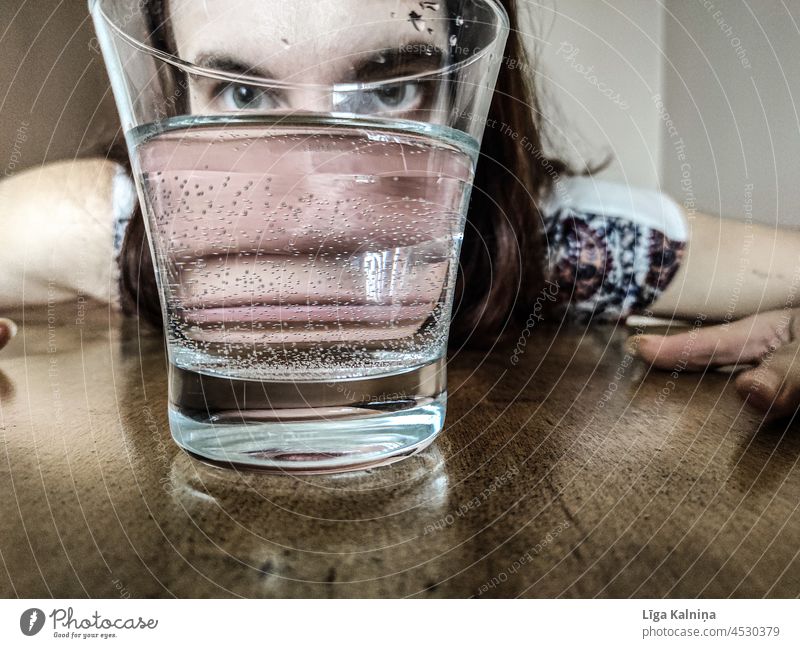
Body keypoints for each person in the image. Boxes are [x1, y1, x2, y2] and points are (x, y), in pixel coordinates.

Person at [2, 0, 800, 420]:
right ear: (176, 96)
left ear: (471, 96)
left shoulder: (572, 239)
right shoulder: (110, 221)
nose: (319, 188)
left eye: (390, 88)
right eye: (242, 93)